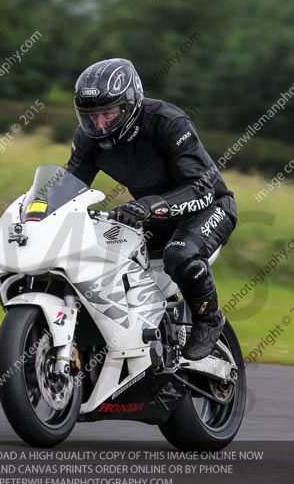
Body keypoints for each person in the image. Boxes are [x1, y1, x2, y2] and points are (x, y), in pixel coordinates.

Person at [65, 58, 237, 360]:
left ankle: (208, 319)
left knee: (179, 254)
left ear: (130, 104)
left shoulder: (168, 122)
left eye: (107, 113)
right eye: (91, 116)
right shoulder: (87, 139)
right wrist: (38, 211)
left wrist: (148, 205)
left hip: (209, 207)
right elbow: (69, 187)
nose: (100, 124)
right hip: (152, 218)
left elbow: (201, 186)